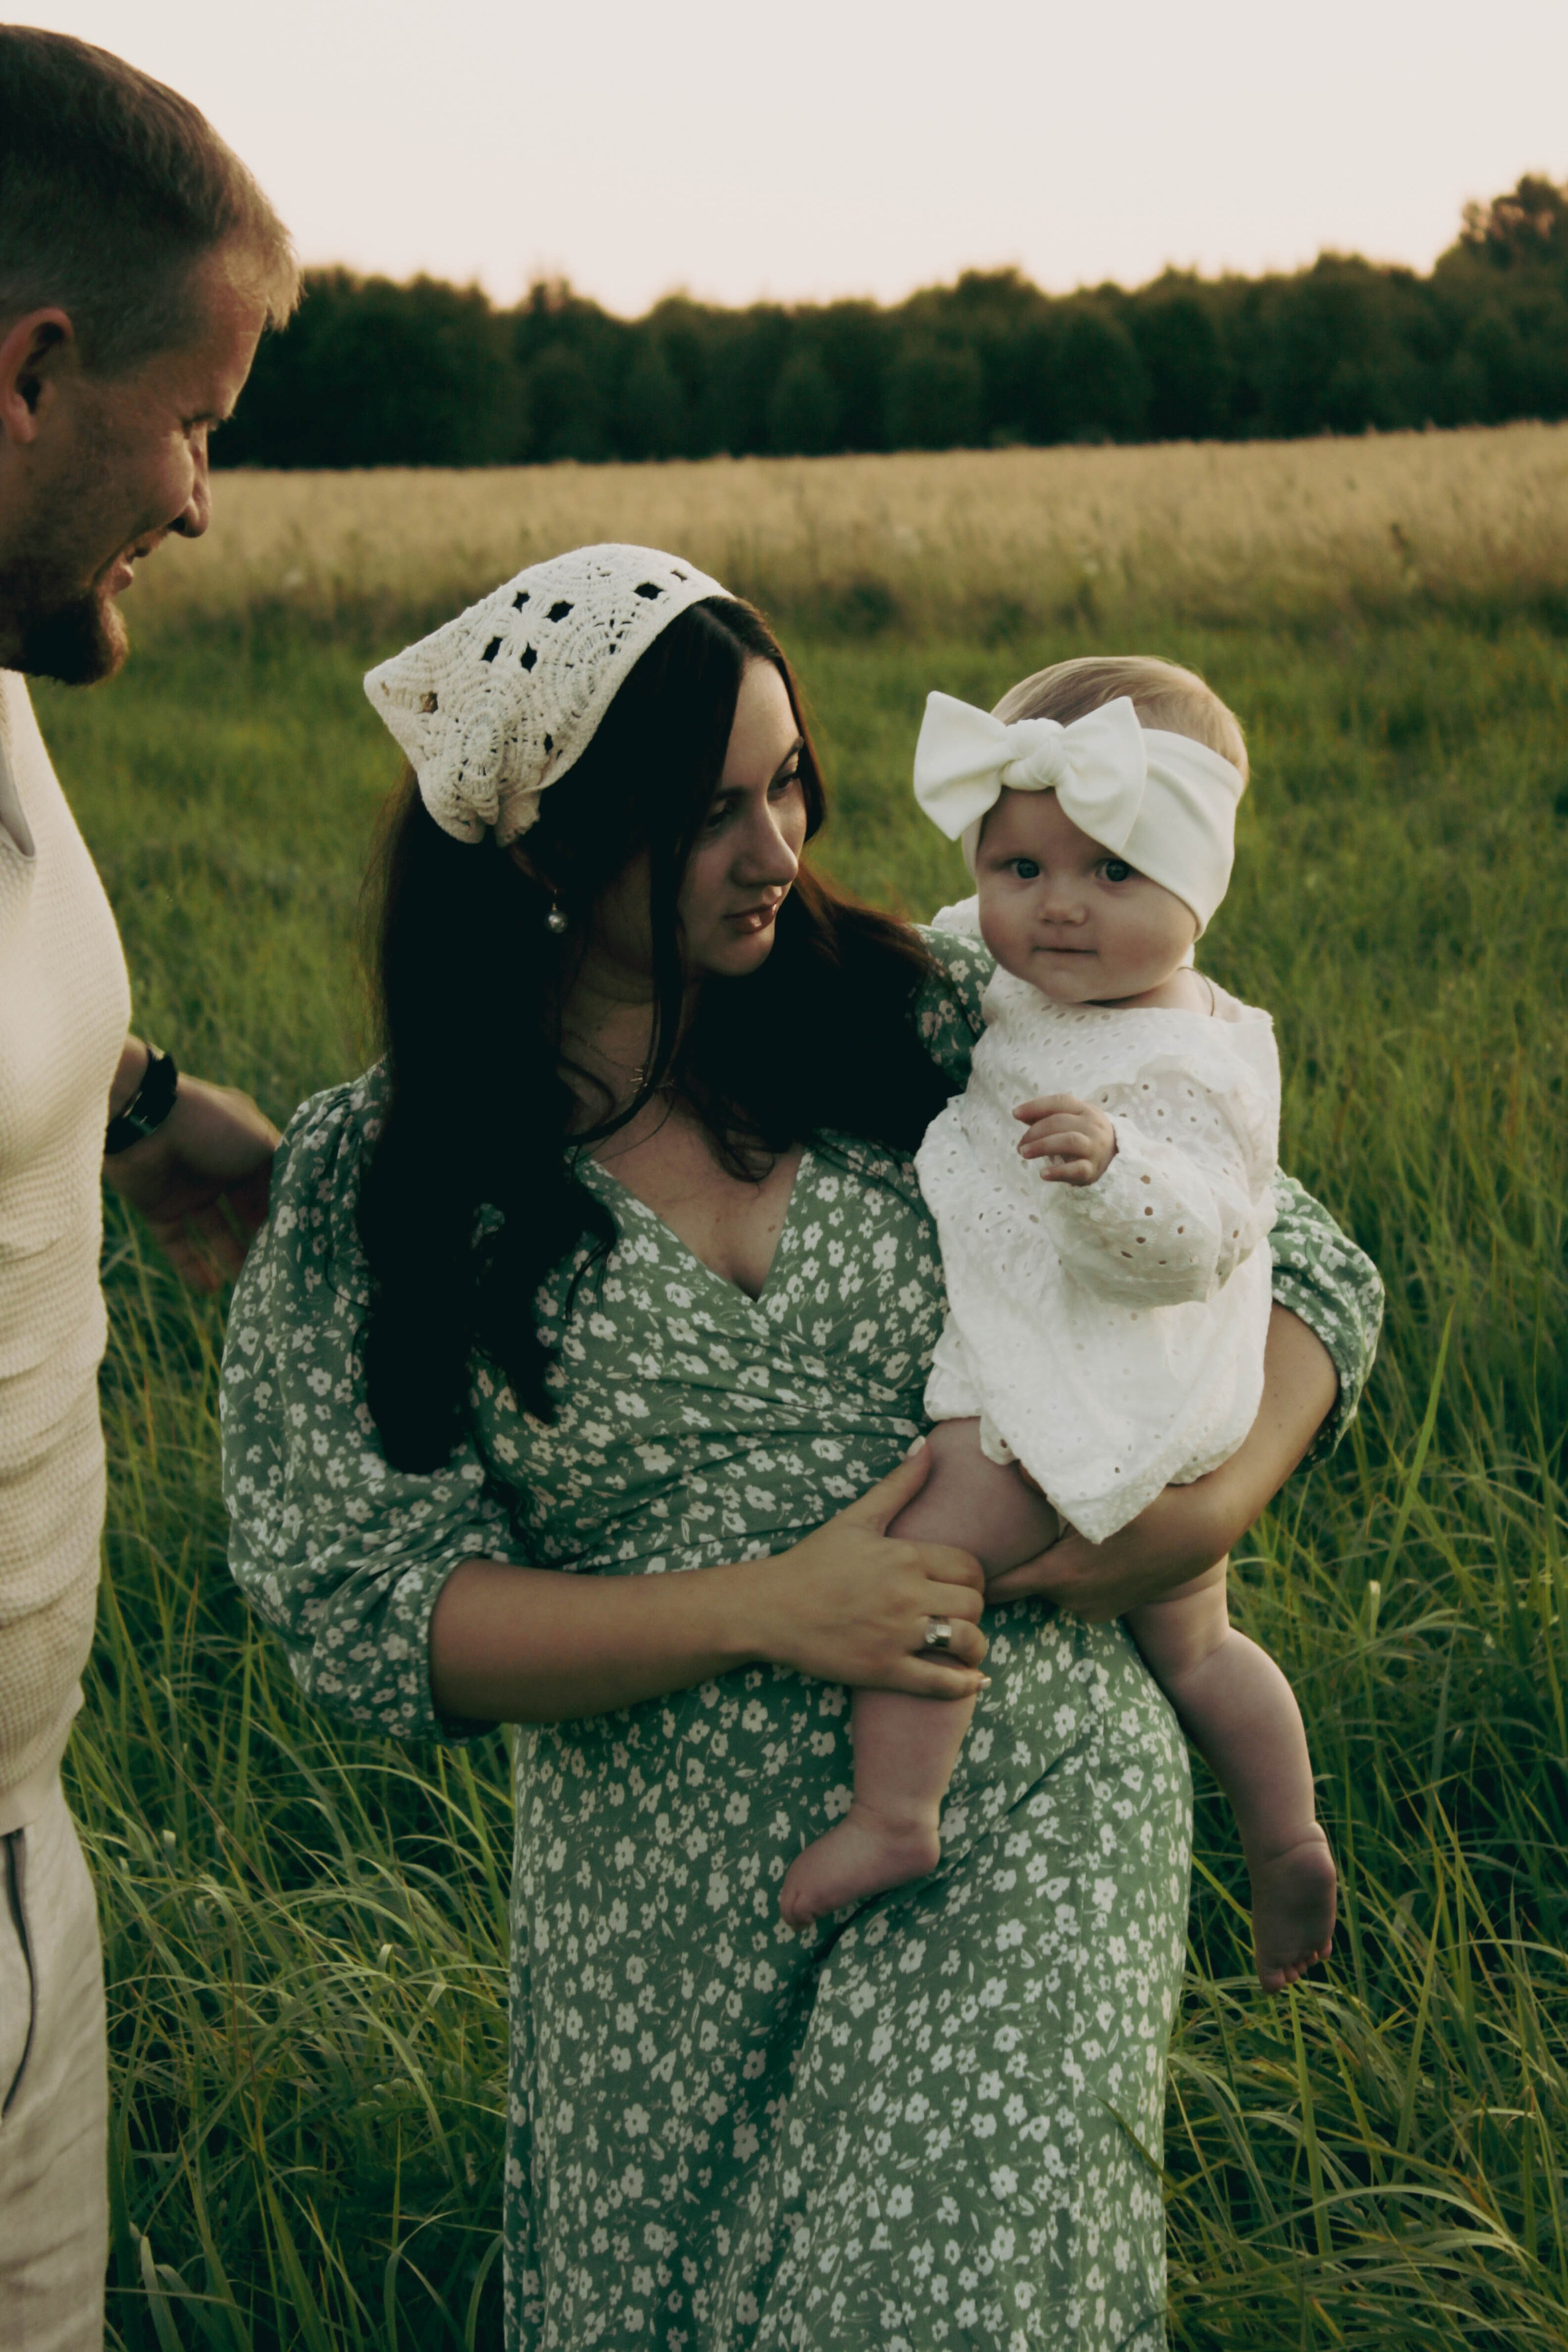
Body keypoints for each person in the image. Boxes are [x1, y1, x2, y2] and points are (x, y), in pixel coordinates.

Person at [222, 543, 1382, 2351]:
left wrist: (1196, 1518)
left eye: (788, 785)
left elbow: (1298, 1256)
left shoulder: (919, 1011)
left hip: (1025, 1798)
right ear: (541, 849)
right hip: (662, 1909)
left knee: (942, 2304)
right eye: (707, 815)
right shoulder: (389, 1177)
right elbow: (370, 1612)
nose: (776, 849)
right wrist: (768, 1607)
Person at [780, 659, 1341, 1996]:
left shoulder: (1187, 1060)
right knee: (1198, 1643)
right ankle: (1288, 1838)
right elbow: (960, 945)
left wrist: (1114, 1171)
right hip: (1157, 1397)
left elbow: (1206, 1235)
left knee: (925, 1558)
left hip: (1089, 1375)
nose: (1059, 908)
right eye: (1019, 869)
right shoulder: (1036, 973)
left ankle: (894, 1814)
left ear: (1198, 884)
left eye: (1111, 872)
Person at [0, 28, 296, 2341]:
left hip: (30, 1837)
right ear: (29, 375)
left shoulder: (1, 665)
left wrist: (136, 1107)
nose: (201, 499)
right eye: (194, 419)